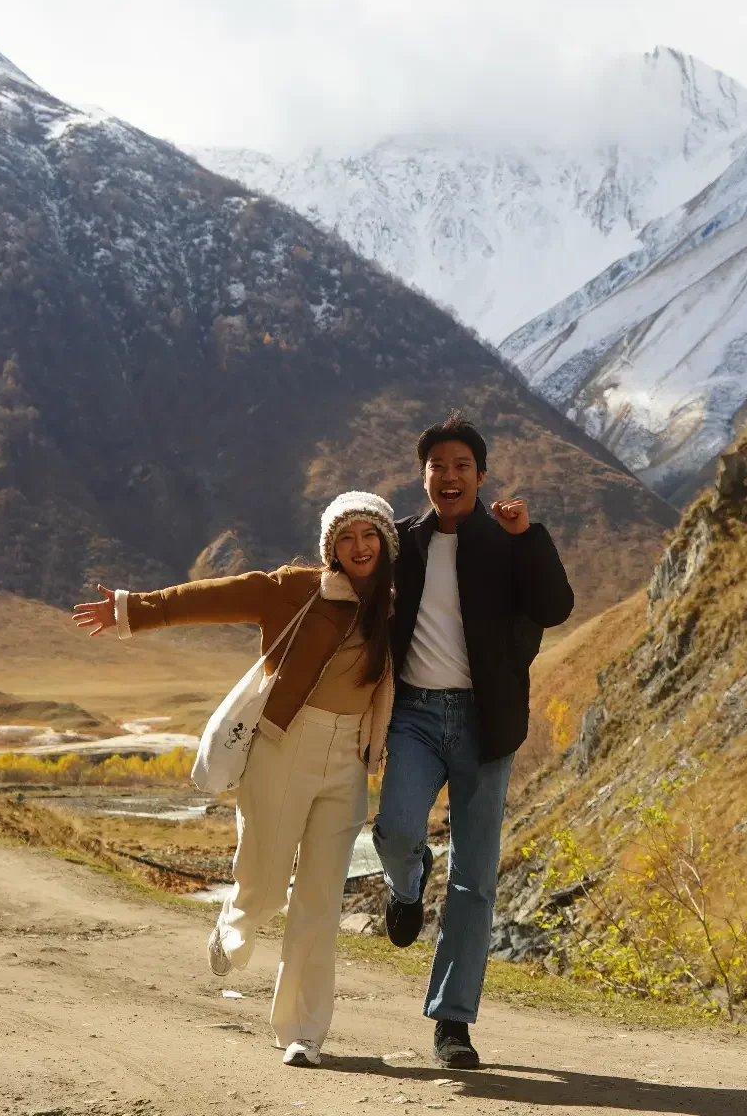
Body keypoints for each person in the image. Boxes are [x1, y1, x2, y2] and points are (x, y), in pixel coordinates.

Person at [72, 492, 399, 1069]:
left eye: (368, 534)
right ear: (331, 548)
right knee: (267, 883)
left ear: (386, 542)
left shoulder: (396, 608)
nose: (359, 547)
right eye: (345, 537)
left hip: (348, 760)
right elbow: (212, 598)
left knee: (321, 902)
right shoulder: (295, 589)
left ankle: (304, 1032)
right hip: (283, 748)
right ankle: (236, 918)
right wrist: (132, 610)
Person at [372, 413, 573, 1069]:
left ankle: (452, 1023)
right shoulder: (401, 543)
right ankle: (405, 888)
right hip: (415, 718)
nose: (450, 476)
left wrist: (530, 537)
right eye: (438, 467)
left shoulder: (509, 540)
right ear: (423, 476)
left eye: (462, 466)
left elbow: (554, 606)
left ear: (480, 476)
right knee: (395, 832)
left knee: (476, 880)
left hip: (488, 726)